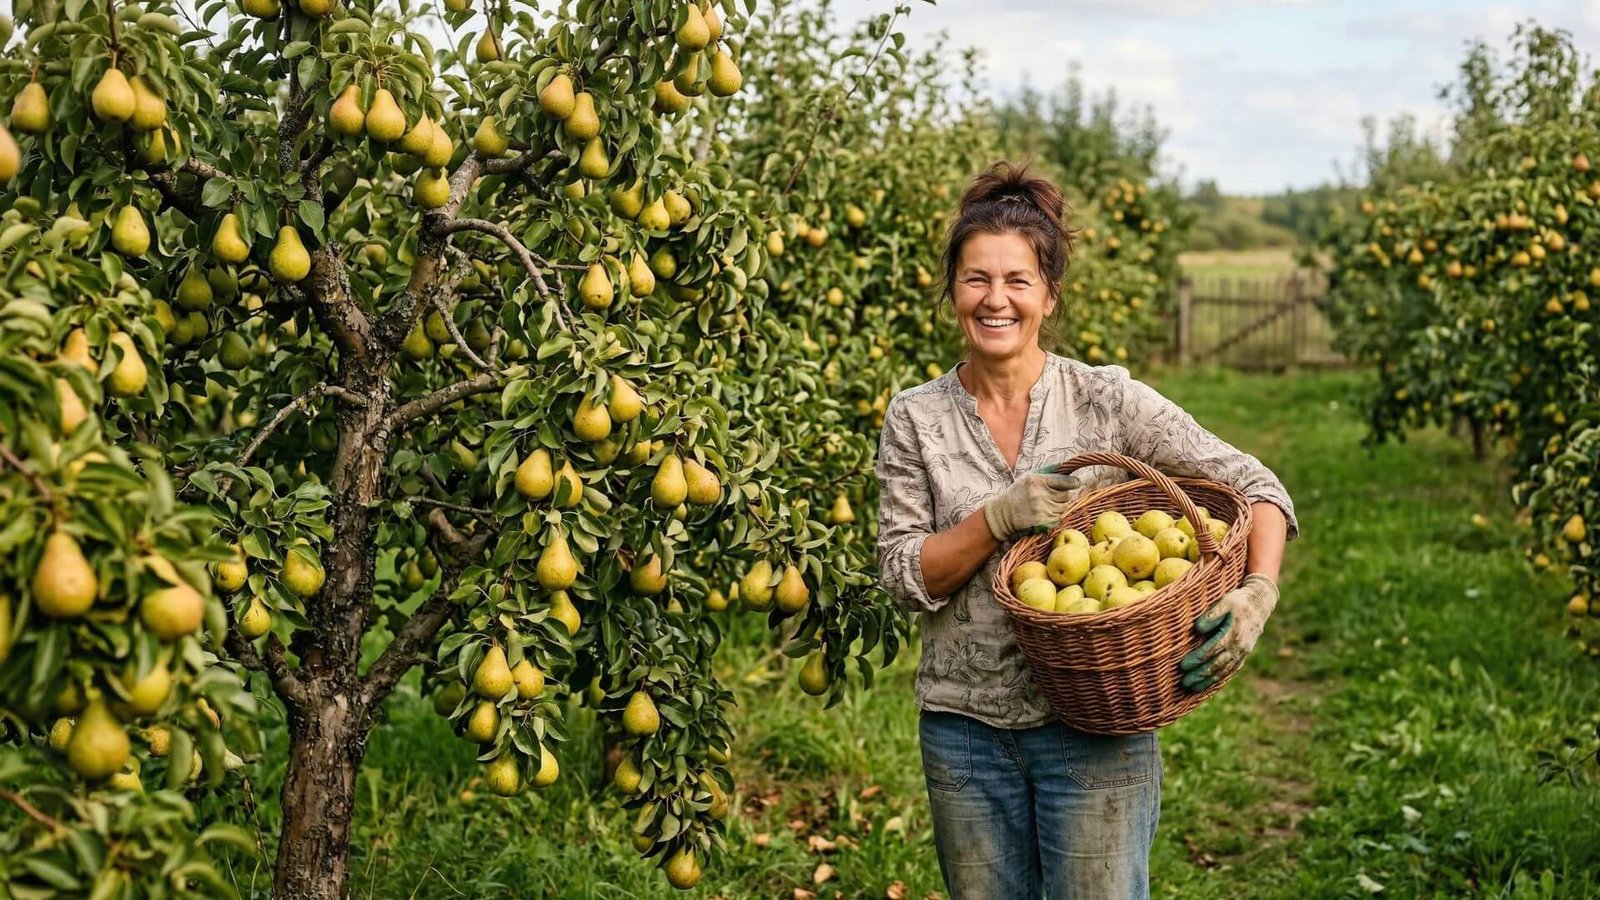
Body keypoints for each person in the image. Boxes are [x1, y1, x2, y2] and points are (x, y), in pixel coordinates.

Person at [873, 160, 1299, 899]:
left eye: (1017, 281)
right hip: (964, 734)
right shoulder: (916, 416)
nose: (995, 299)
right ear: (951, 292)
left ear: (1048, 296)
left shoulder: (1106, 401)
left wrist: (1258, 593)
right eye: (976, 279)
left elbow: (1256, 486)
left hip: (1096, 732)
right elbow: (905, 575)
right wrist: (996, 518)